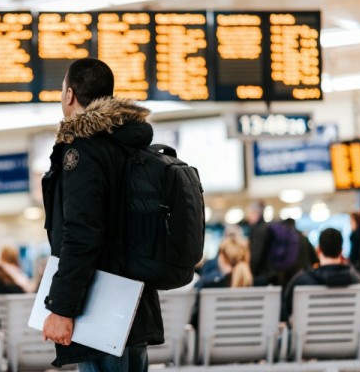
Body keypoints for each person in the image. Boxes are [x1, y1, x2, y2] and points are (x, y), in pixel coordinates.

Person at [41, 58, 163, 371]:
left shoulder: (84, 151)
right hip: (134, 303)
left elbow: (81, 234)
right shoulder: (132, 147)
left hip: (100, 308)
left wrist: (61, 308)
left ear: (69, 95)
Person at [282, 227, 360, 322]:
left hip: (310, 335)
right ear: (341, 251)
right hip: (347, 335)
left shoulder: (300, 281)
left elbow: (286, 313)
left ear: (318, 250)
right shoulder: (356, 279)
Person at [190, 236, 253, 328]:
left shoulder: (207, 288)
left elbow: (194, 323)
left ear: (222, 257)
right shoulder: (258, 288)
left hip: (214, 341)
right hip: (250, 341)